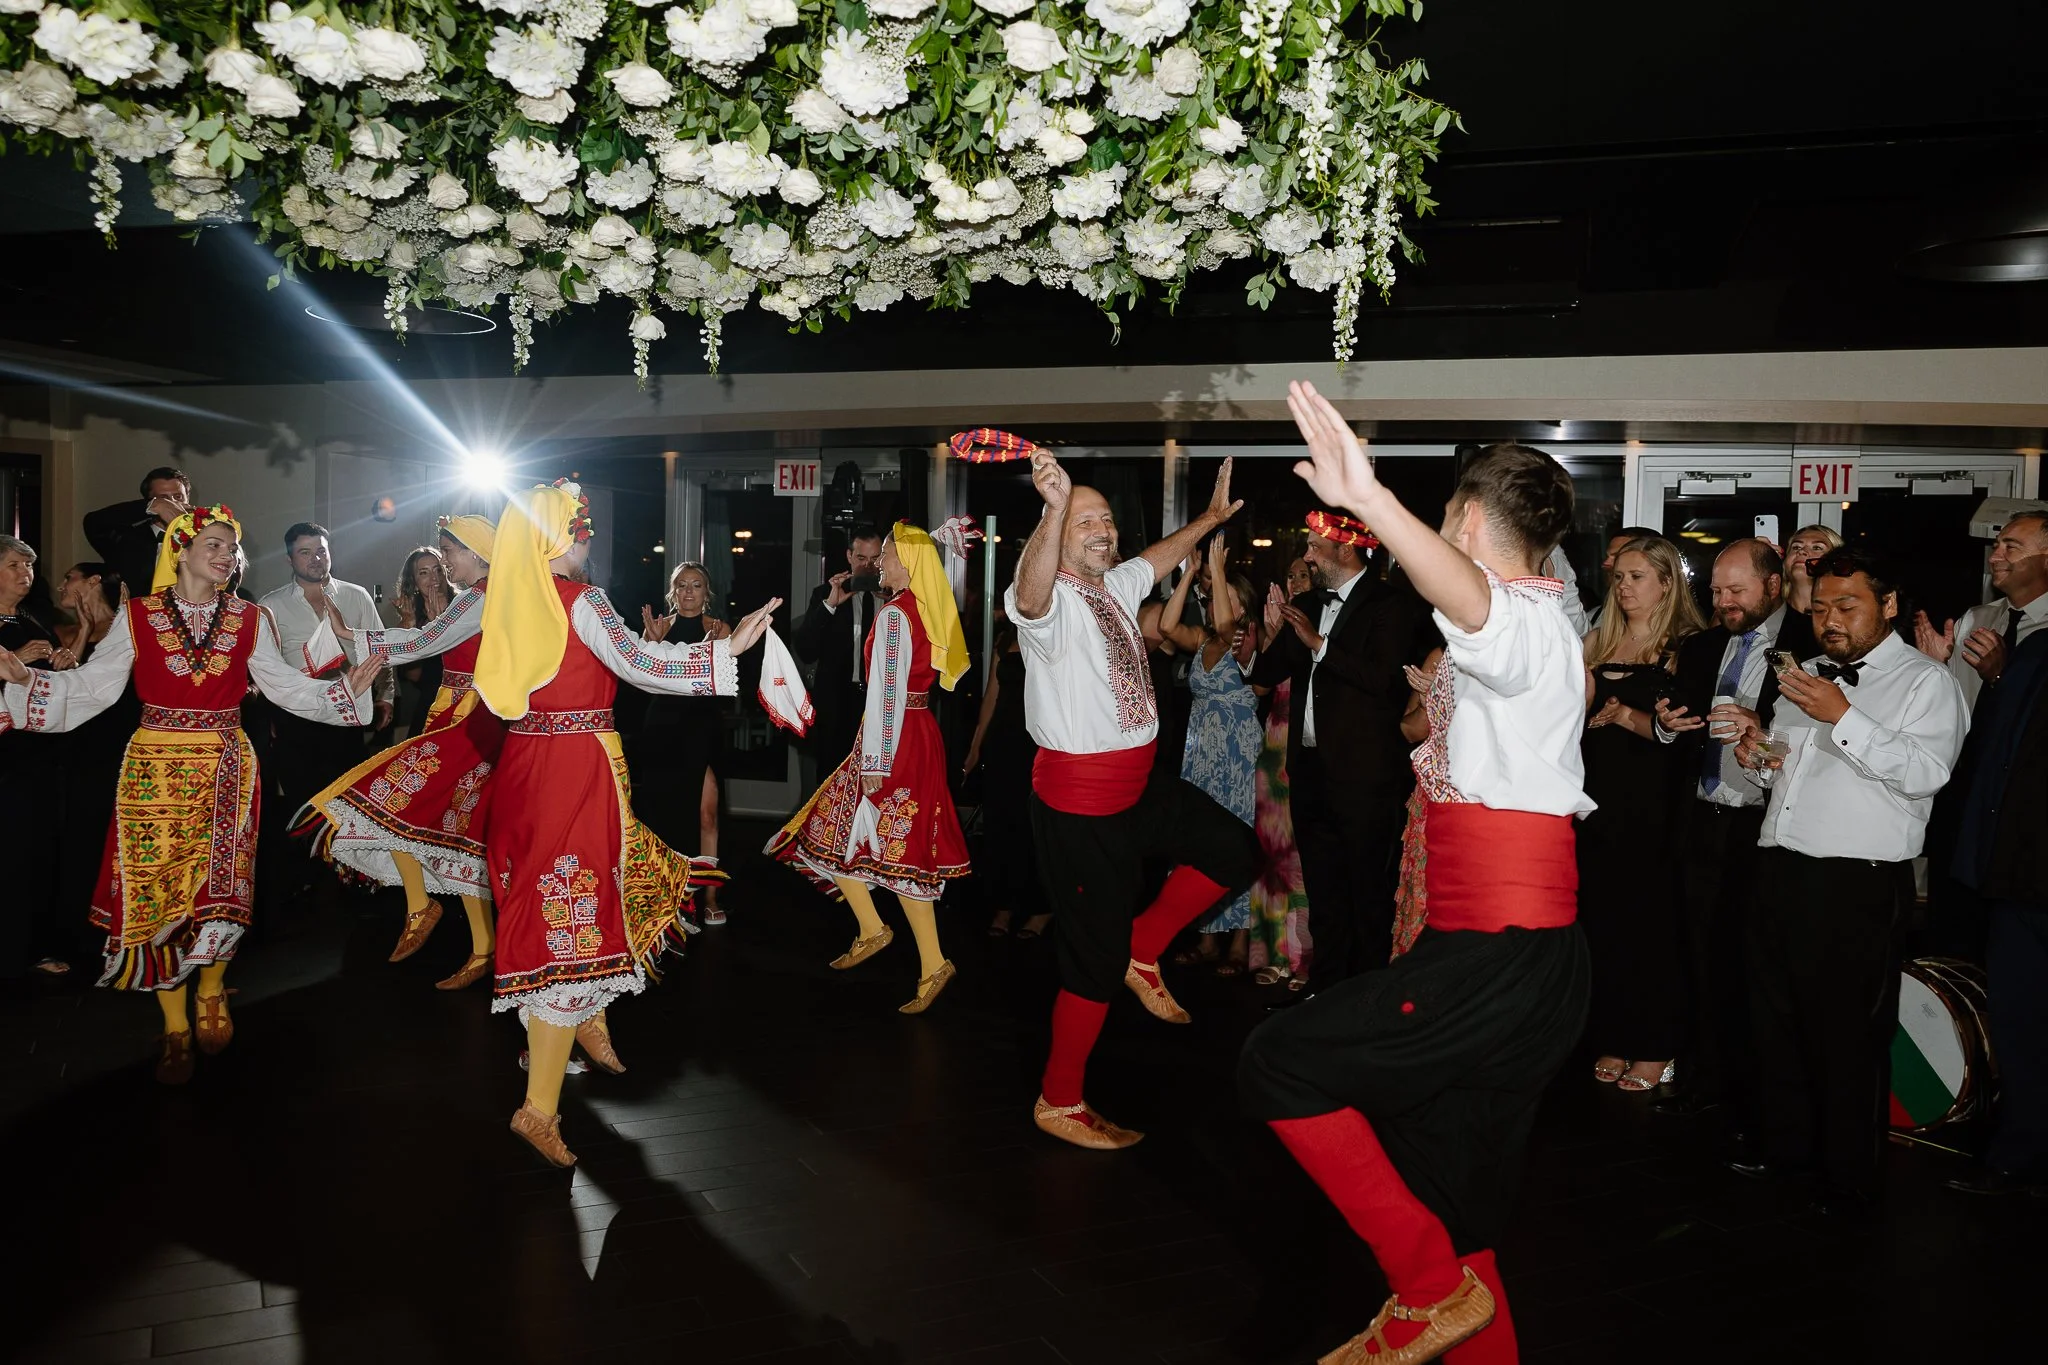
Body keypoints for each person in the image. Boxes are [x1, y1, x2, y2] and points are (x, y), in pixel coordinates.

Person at [1240, 385, 1591, 1365]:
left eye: (1442, 518)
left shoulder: (1521, 619)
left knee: (1278, 1063)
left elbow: (1473, 602)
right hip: (1499, 950)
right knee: (1456, 1199)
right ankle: (1449, 1293)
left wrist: (1369, 499)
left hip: (1500, 956)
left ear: (1467, 520)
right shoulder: (1531, 630)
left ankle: (1424, 1289)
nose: (1435, 535)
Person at [358, 481, 784, 1167]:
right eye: (582, 531)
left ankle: (588, 1017)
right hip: (575, 773)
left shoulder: (507, 600)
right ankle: (540, 1106)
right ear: (561, 539)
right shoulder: (580, 600)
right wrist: (725, 650)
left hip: (527, 768)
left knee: (556, 905)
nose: (589, 542)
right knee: (568, 919)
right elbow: (640, 665)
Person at [0, 507, 380, 1083]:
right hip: (154, 764)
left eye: (233, 547)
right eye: (215, 543)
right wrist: (31, 682)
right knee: (157, 889)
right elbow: (95, 685)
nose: (227, 554)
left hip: (227, 760)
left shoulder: (251, 618)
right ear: (179, 549)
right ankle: (174, 1027)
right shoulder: (138, 616)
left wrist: (341, 692)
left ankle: (209, 992)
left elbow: (282, 685)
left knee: (219, 884)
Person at [1007, 452, 1257, 1151]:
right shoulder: (1048, 602)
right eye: (1085, 520)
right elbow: (1027, 601)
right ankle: (1059, 1099)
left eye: (1105, 519)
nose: (1101, 529)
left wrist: (1206, 521)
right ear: (1058, 533)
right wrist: (1053, 512)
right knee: (1090, 963)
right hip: (1080, 806)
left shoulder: (1113, 585)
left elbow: (1153, 556)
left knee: (1234, 852)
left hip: (1140, 784)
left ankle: (1144, 948)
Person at [1729, 548, 1969, 1217]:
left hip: (1857, 881)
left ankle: (1850, 1178)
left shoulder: (1926, 682)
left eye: (1846, 605)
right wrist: (1758, 758)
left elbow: (1925, 773)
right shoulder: (1804, 674)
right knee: (1775, 1023)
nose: (1828, 619)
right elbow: (1789, 773)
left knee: (1846, 1038)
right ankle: (1787, 1151)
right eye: (1821, 605)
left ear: (1888, 605)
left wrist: (1844, 716)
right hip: (1780, 865)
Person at [769, 520, 975, 1013]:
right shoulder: (922, 608)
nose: (879, 562)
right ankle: (891, 939)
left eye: (886, 554)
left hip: (894, 739)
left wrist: (876, 760)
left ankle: (906, 947)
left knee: (843, 838)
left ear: (906, 563)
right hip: (919, 733)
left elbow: (886, 695)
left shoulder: (896, 617)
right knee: (878, 843)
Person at [299, 516, 502, 989]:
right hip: (452, 709)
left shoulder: (483, 596)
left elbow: (423, 641)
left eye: (448, 552)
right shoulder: (478, 596)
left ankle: (467, 934)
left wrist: (352, 636)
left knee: (428, 811)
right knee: (443, 822)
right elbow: (425, 640)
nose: (444, 561)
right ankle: (447, 923)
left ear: (474, 552)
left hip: (477, 718)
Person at [1648, 539, 1804, 1125]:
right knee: (1698, 956)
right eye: (1716, 591)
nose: (1725, 602)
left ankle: (1754, 1093)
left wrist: (1760, 726)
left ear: (1772, 585)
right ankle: (1703, 1079)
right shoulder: (1703, 645)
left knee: (1754, 965)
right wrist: (1668, 726)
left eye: (1737, 591)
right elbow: (1680, 729)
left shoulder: (1807, 645)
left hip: (1763, 827)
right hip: (1701, 820)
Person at [1249, 507, 1420, 985]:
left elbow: (1384, 681)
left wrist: (1320, 644)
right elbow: (1266, 674)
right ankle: (1325, 989)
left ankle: (1367, 996)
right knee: (1323, 890)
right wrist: (1266, 637)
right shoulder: (1308, 605)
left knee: (1367, 890)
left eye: (1313, 547)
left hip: (1364, 777)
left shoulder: (1391, 605)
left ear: (1345, 548)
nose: (1306, 555)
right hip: (1309, 771)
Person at [1577, 535, 1704, 1093]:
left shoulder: (1689, 647)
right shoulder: (1595, 642)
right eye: (1619, 577)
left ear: (1666, 583)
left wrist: (1627, 716)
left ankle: (1656, 1044)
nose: (1624, 586)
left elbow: (1691, 731)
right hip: (1596, 807)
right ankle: (1614, 1032)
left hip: (1655, 809)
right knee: (1602, 926)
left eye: (1636, 577)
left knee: (1652, 930)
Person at [1938, 588, 2048, 1197]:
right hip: (2017, 878)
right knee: (2019, 1023)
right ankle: (2017, 1151)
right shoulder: (2030, 653)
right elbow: (1991, 765)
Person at [256, 523, 395, 901]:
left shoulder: (355, 595)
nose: (316, 559)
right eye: (305, 552)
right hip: (297, 717)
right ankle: (308, 881)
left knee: (349, 795)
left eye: (321, 550)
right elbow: (267, 669)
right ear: (290, 558)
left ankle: (356, 878)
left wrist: (386, 698)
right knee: (305, 797)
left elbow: (379, 650)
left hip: (349, 714)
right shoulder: (270, 605)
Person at [1160, 534, 1262, 975]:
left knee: (1236, 837)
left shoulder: (1247, 636)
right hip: (1200, 753)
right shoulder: (1203, 638)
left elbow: (1228, 627)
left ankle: (1239, 943)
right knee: (1201, 840)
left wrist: (1219, 570)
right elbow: (1165, 626)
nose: (1217, 599)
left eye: (1228, 596)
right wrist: (1186, 576)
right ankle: (1205, 937)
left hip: (1237, 752)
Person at [640, 562, 733, 925]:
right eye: (682, 585)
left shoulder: (718, 629)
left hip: (701, 729)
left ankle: (710, 895)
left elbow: (724, 686)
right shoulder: (660, 628)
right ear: (673, 591)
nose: (689, 591)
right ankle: (666, 896)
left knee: (706, 814)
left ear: (706, 593)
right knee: (663, 816)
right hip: (661, 727)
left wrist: (713, 653)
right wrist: (651, 641)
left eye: (696, 585)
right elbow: (640, 678)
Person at [0, 534, 74, 976]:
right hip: (6, 759)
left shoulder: (33, 617)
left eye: (28, 566)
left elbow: (47, 684)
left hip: (41, 754)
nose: (24, 574)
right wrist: (17, 663)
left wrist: (63, 663)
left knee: (40, 850)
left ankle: (37, 945)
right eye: (13, 565)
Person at [1248, 555, 1314, 990]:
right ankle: (1271, 952)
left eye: (1302, 575)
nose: (1294, 581)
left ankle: (1302, 958)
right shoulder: (1280, 628)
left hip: (1305, 748)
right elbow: (1258, 687)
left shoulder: (1321, 629)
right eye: (1289, 574)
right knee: (1269, 857)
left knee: (1301, 859)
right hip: (1272, 749)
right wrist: (1271, 638)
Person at [963, 611, 1046, 939]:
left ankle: (1041, 910)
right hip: (1003, 745)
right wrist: (975, 747)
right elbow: (991, 697)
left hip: (1039, 744)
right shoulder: (1005, 639)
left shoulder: (1054, 634)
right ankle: (1003, 907)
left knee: (1033, 828)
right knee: (1001, 827)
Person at [1914, 510, 2048, 712]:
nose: (1994, 558)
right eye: (1996, 547)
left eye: (2010, 547)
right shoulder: (1974, 620)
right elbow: (1951, 707)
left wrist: (1999, 677)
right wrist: (1937, 667)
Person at [793, 524, 887, 769]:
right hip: (837, 705)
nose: (868, 566)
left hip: (880, 703)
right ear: (849, 556)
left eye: (875, 559)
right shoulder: (827, 593)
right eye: (861, 558)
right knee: (832, 782)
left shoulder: (893, 597)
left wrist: (893, 602)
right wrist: (829, 606)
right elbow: (805, 649)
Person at [82, 466, 190, 603]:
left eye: (178, 497)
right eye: (163, 499)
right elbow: (93, 523)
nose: (173, 504)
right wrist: (152, 506)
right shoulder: (126, 540)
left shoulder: (204, 538)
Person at [391, 546, 453, 736]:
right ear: (415, 582)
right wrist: (410, 627)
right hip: (430, 701)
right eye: (424, 573)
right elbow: (414, 675)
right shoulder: (412, 617)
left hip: (465, 699)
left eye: (437, 570)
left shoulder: (464, 605)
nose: (433, 578)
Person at [1583, 526, 1660, 632]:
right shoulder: (1594, 618)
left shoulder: (1681, 636)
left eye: (1617, 556)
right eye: (1608, 556)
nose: (1605, 563)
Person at [1781, 523, 1843, 622]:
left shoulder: (1839, 621)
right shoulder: (1768, 612)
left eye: (1817, 548)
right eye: (1796, 547)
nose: (1802, 551)